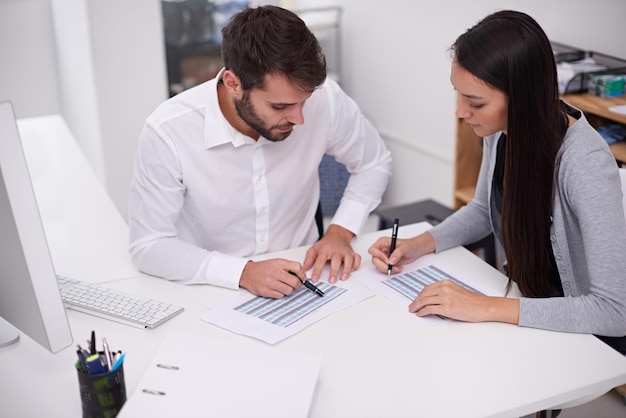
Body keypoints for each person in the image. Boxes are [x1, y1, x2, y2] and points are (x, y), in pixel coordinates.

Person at [368, 10, 626, 353]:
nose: (460, 112)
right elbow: (481, 211)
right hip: (524, 305)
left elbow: (614, 310)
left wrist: (483, 306)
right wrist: (418, 243)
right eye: (458, 95)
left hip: (582, 335)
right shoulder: (501, 130)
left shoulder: (584, 164)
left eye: (475, 102)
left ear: (522, 99)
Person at [129, 5, 392, 299]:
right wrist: (243, 272)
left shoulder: (324, 99)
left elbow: (373, 163)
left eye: (304, 102)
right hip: (207, 287)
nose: (299, 118)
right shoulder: (168, 131)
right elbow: (148, 245)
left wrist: (341, 231)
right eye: (280, 106)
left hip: (306, 280)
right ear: (234, 84)